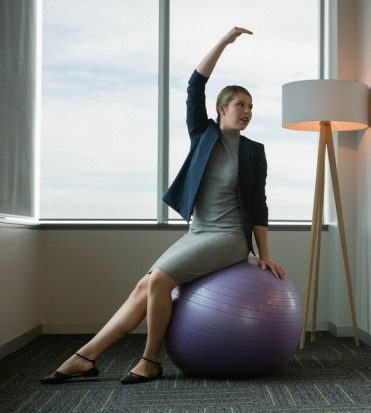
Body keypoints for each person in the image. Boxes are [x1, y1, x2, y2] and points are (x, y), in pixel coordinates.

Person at [40, 27, 284, 385]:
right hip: (197, 232)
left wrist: (263, 252)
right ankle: (85, 356)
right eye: (240, 105)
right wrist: (223, 43)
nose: (246, 112)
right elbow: (194, 85)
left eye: (250, 107)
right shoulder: (202, 135)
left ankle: (149, 360)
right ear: (221, 109)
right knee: (144, 286)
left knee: (158, 281)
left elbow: (259, 204)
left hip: (229, 237)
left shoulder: (253, 151)